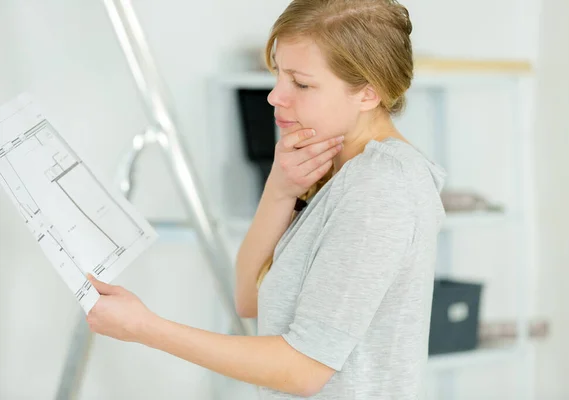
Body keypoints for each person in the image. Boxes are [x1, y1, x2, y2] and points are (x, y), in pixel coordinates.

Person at [86, 0, 447, 398]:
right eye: (277, 73)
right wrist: (279, 189)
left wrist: (146, 328)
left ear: (368, 92)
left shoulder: (381, 187)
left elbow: (304, 369)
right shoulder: (334, 170)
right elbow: (249, 296)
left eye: (301, 83)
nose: (275, 96)